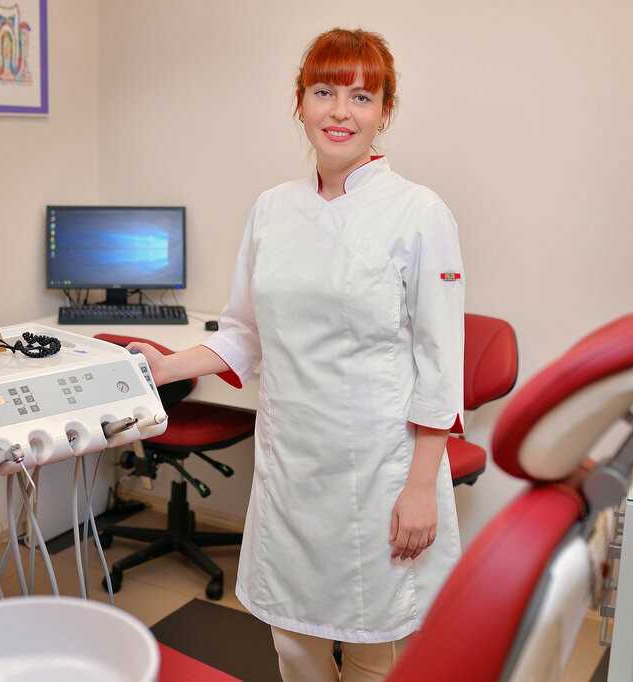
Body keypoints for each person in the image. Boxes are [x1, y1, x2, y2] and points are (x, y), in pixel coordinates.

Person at [127, 27, 465, 682]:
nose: (341, 112)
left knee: (369, 642)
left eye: (361, 97)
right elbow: (246, 331)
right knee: (292, 639)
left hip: (378, 468)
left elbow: (439, 361)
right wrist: (169, 366)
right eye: (324, 92)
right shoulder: (272, 210)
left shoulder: (419, 213)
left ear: (385, 112)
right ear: (301, 102)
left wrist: (422, 485)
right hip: (291, 465)